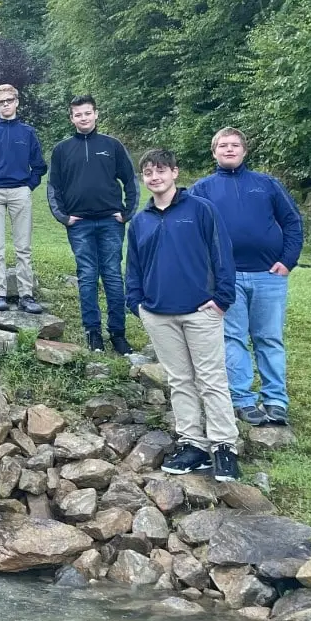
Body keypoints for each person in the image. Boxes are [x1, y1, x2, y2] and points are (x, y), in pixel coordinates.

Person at [125, 148, 240, 482]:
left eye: (161, 170)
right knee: (179, 380)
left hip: (200, 311)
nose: (154, 177)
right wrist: (138, 303)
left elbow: (222, 255)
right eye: (148, 173)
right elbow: (133, 266)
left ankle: (223, 446)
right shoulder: (140, 220)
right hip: (159, 313)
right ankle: (193, 444)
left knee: (211, 379)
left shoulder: (201, 210)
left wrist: (222, 299)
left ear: (175, 172)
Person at [191, 127, 303, 427]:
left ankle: (276, 400)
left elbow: (292, 221)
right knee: (233, 339)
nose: (229, 149)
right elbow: (192, 233)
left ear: (244, 150)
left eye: (235, 145)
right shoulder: (202, 190)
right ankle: (242, 399)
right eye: (223, 145)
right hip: (228, 279)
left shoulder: (266, 184)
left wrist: (287, 260)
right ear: (214, 152)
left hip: (269, 275)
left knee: (269, 339)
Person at [47, 95, 139, 355]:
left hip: (111, 221)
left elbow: (130, 180)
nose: (83, 118)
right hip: (79, 224)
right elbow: (54, 187)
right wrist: (64, 217)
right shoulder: (62, 150)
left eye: (88, 113)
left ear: (96, 114)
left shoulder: (112, 145)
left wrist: (127, 212)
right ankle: (93, 333)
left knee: (112, 275)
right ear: (72, 118)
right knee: (87, 276)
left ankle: (118, 335)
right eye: (78, 114)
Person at [0, 84, 47, 314]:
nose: (5, 105)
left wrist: (28, 185)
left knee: (23, 247)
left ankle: (26, 295)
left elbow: (39, 165)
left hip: (19, 191)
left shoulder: (27, 132)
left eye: (9, 100)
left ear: (16, 102)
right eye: (0, 102)